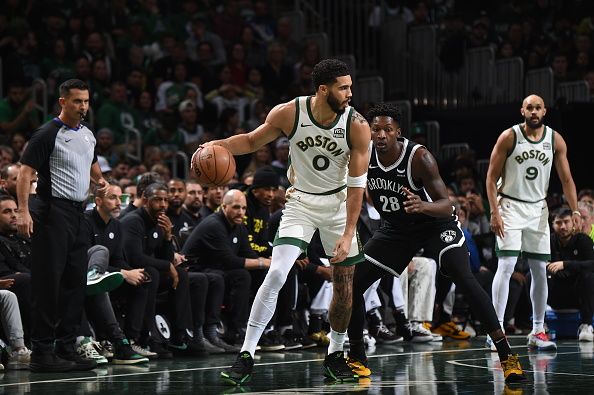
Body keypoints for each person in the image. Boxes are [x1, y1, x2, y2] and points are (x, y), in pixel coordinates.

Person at [211, 59, 370, 385]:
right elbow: (252, 141)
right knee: (278, 272)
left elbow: (357, 186)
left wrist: (349, 231)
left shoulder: (357, 126)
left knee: (343, 284)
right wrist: (219, 146)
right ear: (323, 89)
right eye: (344, 88)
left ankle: (336, 353)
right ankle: (246, 354)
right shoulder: (290, 112)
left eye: (350, 87)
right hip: (299, 202)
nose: (350, 94)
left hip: (340, 205)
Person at [346, 103, 524, 383]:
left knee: (463, 276)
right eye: (375, 129)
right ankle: (356, 355)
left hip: (434, 223)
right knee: (352, 283)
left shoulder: (419, 157)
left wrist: (422, 206)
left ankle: (506, 354)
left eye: (387, 130)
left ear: (398, 132)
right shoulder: (362, 154)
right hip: (396, 228)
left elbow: (447, 204)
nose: (380, 135)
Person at [16, 79, 107, 373]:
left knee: (74, 283)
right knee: (48, 283)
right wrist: (23, 211)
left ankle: (66, 347)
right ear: (62, 102)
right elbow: (25, 173)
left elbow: (91, 164)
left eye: (86, 101)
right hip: (52, 211)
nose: (83, 107)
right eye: (77, 101)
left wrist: (101, 182)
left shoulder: (88, 135)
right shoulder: (47, 133)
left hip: (79, 213)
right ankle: (42, 351)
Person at [486, 94, 580, 351]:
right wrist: (494, 212)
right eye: (530, 107)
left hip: (538, 209)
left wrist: (576, 211)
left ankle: (538, 329)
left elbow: (567, 180)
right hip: (510, 206)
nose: (534, 111)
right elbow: (491, 177)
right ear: (522, 111)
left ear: (545, 111)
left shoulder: (555, 139)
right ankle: (497, 330)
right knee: (506, 265)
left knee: (540, 270)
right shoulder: (509, 137)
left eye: (538, 107)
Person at [547, 208, 594, 342]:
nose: (562, 226)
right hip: (555, 293)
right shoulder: (548, 241)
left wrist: (565, 264)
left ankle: (586, 325)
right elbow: (543, 265)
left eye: (566, 222)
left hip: (578, 295)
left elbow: (591, 264)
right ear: (552, 224)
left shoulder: (583, 240)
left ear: (573, 223)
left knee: (589, 277)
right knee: (531, 276)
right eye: (558, 223)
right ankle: (540, 326)